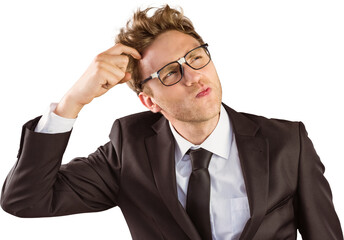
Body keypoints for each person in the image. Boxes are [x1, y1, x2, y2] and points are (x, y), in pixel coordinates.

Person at [0, 4, 343, 240]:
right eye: (170, 73)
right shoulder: (129, 151)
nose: (193, 76)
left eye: (196, 57)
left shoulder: (287, 142)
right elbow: (25, 200)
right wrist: (71, 102)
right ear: (149, 100)